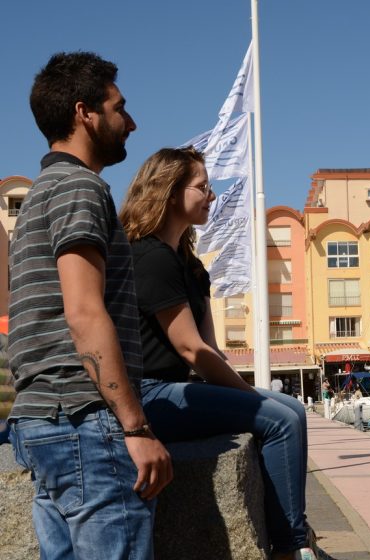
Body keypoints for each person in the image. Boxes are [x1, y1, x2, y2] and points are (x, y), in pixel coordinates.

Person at [7, 52, 172, 559]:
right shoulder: (80, 187)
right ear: (86, 113)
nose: (131, 122)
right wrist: (135, 426)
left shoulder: (37, 195)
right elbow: (83, 312)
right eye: (119, 108)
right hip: (85, 422)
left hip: (39, 422)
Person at [118, 147, 315, 560]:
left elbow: (210, 350)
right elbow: (190, 349)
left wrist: (247, 393)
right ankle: (288, 549)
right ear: (170, 193)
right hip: (149, 395)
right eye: (202, 187)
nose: (212, 196)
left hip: (178, 390)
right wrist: (250, 396)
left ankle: (292, 536)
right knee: (281, 418)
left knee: (291, 410)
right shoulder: (148, 256)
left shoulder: (190, 265)